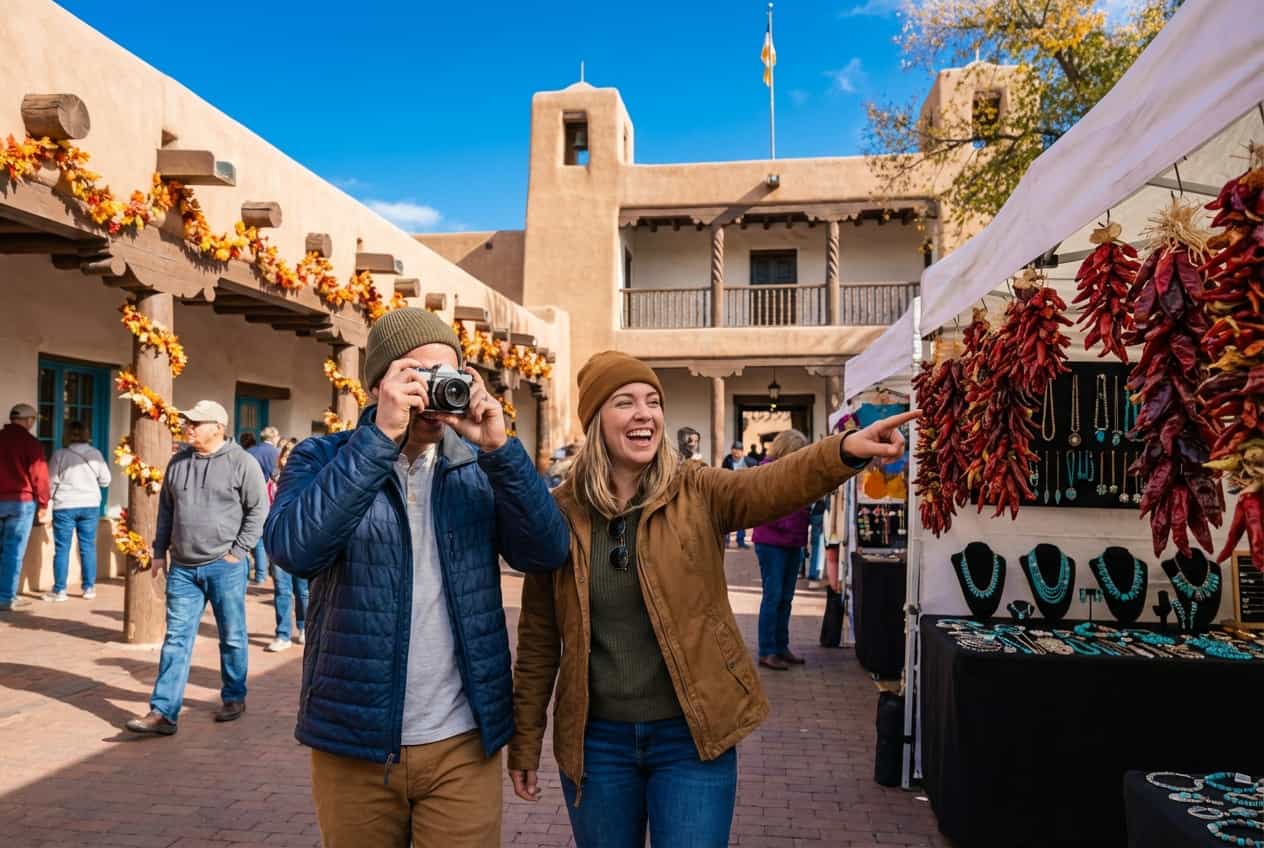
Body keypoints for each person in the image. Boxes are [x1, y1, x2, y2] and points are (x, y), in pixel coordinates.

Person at [508, 350, 915, 847]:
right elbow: (537, 643)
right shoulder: (561, 514)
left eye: (653, 402)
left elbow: (772, 484)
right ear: (595, 422)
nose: (645, 413)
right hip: (598, 747)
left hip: (691, 737)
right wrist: (524, 743)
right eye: (625, 402)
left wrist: (845, 450)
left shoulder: (695, 490)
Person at [263, 307, 569, 847]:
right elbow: (294, 550)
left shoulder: (477, 463)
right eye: (415, 374)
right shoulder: (324, 455)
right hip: (354, 740)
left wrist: (500, 450)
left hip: (462, 741)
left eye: (445, 376)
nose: (431, 391)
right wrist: (377, 441)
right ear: (379, 382)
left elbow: (546, 551)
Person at [124, 400, 268, 736]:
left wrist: (238, 551)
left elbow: (259, 510)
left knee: (232, 635)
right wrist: (159, 550)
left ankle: (234, 696)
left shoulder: (241, 463)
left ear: (218, 426)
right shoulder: (178, 463)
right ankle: (163, 712)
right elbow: (166, 512)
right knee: (175, 640)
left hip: (225, 566)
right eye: (187, 422)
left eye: (196, 422)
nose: (188, 427)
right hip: (183, 569)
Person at [751, 430, 813, 671]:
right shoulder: (767, 471)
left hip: (792, 541)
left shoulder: (797, 471)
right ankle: (767, 650)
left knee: (786, 598)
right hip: (772, 542)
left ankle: (781, 645)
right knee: (773, 596)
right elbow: (765, 506)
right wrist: (790, 523)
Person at [44, 421, 111, 602]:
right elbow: (106, 480)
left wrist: (47, 501)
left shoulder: (60, 454)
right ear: (86, 434)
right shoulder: (95, 454)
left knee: (62, 548)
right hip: (90, 505)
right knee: (88, 546)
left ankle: (60, 591)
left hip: (64, 505)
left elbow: (51, 482)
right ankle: (89, 588)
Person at [0, 403, 49, 612]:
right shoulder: (30, 443)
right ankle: (5, 597)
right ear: (28, 420)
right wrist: (44, 502)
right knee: (13, 551)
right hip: (21, 502)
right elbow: (39, 475)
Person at [265, 440, 307, 652]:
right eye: (285, 455)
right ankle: (282, 634)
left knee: (303, 591)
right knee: (282, 590)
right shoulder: (273, 483)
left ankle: (303, 627)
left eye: (292, 455)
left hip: (302, 543)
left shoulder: (309, 481)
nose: (287, 459)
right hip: (280, 544)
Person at [244, 426, 281, 586]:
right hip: (265, 497)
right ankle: (261, 574)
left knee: (250, 536)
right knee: (261, 537)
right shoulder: (274, 453)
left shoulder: (251, 451)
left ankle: (250, 574)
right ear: (274, 437)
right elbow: (276, 475)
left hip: (246, 495)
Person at [720, 441, 754, 549]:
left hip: (743, 493)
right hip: (730, 492)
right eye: (733, 452)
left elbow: (758, 469)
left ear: (742, 452)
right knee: (727, 517)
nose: (735, 455)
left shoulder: (749, 461)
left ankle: (740, 541)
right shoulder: (727, 460)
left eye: (737, 452)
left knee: (741, 517)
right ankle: (726, 541)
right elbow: (723, 474)